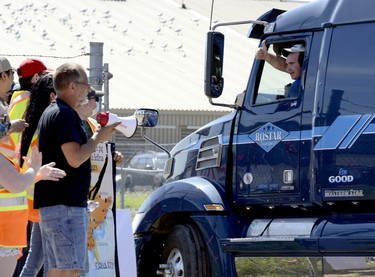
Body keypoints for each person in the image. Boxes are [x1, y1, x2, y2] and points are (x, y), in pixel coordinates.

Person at [35, 63, 120, 277]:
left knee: (57, 269)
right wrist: (98, 137)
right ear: (72, 86)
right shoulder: (65, 114)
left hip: (56, 203)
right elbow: (75, 158)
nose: (87, 90)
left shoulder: (53, 111)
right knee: (70, 270)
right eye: (85, 85)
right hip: (65, 205)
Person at [0, 57, 65, 277]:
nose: (5, 122)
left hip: (20, 208)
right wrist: (34, 171)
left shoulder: (14, 103)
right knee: (40, 258)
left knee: (36, 257)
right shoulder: (29, 107)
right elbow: (15, 180)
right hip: (14, 216)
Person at [18, 74, 58, 277]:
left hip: (37, 201)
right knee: (47, 262)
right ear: (53, 96)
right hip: (46, 201)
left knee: (36, 260)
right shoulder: (48, 126)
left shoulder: (35, 122)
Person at [5, 58, 51, 162]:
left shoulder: (16, 98)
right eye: (44, 76)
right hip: (23, 165)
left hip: (11, 163)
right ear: (36, 78)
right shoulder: (32, 103)